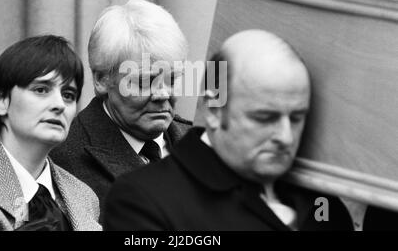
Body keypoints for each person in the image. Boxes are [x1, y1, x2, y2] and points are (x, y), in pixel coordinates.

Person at [103, 30, 354, 231]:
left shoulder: (323, 205)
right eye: (265, 118)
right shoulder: (143, 200)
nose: (286, 137)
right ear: (214, 110)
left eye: (297, 118)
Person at [50, 0, 192, 216]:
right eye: (145, 81)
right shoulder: (60, 162)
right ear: (102, 80)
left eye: (172, 79)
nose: (163, 94)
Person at [0, 35, 101, 231]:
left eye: (68, 95)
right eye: (41, 89)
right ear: (1, 99)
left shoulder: (84, 196)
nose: (59, 105)